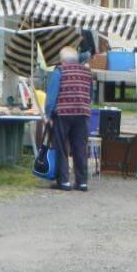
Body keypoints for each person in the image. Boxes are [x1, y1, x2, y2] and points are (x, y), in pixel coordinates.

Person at [45, 47, 93, 191]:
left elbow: (52, 95)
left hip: (63, 114)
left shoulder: (59, 71)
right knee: (80, 148)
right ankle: (82, 182)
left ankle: (64, 181)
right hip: (82, 113)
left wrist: (48, 115)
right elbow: (90, 94)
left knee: (61, 147)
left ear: (62, 60)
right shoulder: (87, 73)